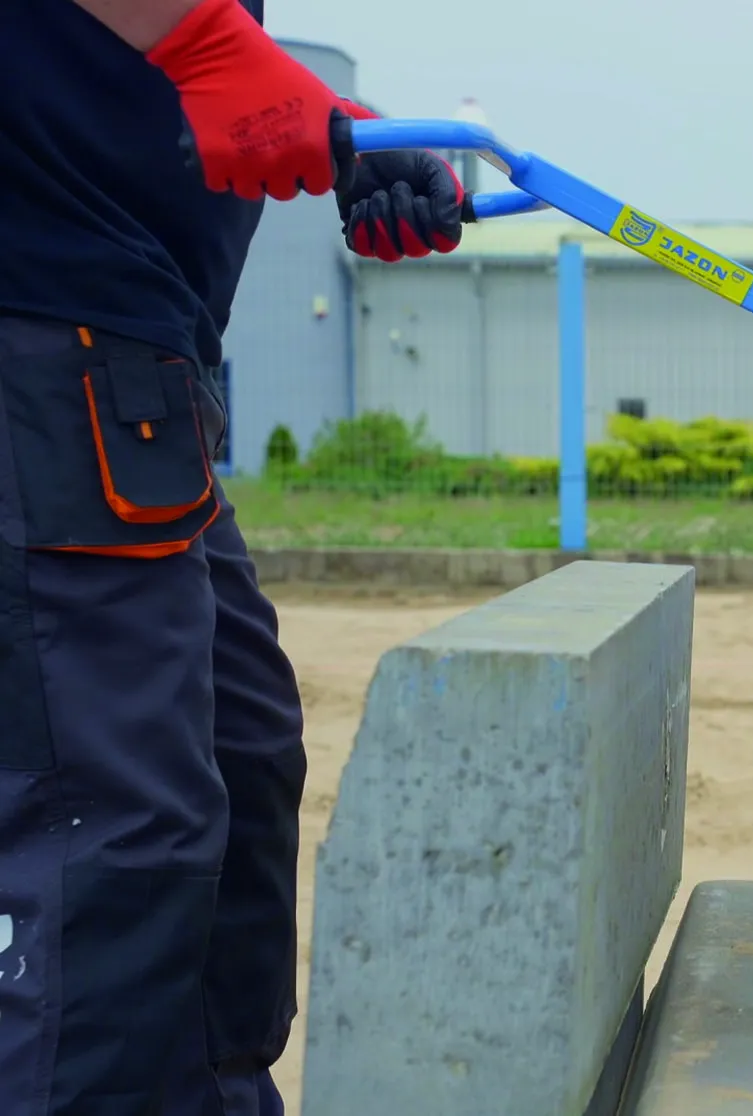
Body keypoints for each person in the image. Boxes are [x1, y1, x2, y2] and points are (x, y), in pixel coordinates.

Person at [0, 0, 465, 1111]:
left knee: (240, 757)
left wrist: (350, 134)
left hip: (139, 359)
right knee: (106, 823)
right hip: (44, 327)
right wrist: (209, 46)